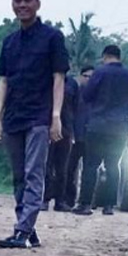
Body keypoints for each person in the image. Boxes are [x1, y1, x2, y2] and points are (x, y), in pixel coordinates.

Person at [0, 0, 70, 248]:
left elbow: (58, 77)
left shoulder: (52, 37)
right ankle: (27, 228)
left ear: (37, 4)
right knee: (18, 176)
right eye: (18, 0)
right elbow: (4, 80)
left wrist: (55, 116)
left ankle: (22, 231)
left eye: (27, 0)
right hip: (13, 117)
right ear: (12, 5)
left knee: (33, 173)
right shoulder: (9, 42)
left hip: (39, 116)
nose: (22, 4)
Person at [72, 45, 128, 216]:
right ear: (119, 56)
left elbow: (87, 95)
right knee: (113, 166)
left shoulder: (99, 73)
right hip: (120, 128)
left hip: (98, 126)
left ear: (105, 56)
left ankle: (85, 204)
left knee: (91, 165)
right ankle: (109, 205)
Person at [42, 74, 78, 212]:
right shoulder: (45, 79)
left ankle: (60, 200)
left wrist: (73, 130)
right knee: (46, 165)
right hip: (46, 126)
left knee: (62, 167)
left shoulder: (72, 84)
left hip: (66, 129)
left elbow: (76, 107)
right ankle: (45, 198)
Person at [65, 65, 94, 208]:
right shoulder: (74, 92)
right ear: (81, 77)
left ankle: (86, 200)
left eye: (91, 77)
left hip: (91, 137)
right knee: (69, 168)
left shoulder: (97, 95)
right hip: (75, 135)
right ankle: (68, 198)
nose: (88, 79)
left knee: (89, 170)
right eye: (86, 76)